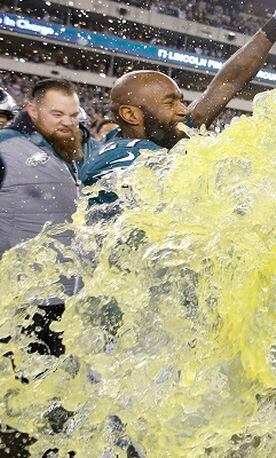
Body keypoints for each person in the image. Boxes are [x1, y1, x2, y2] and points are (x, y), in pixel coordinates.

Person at [78, 0, 276, 185]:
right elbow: (228, 184)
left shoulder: (153, 132)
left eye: (181, 101)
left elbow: (226, 84)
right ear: (131, 115)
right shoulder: (117, 161)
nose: (183, 110)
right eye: (170, 103)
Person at [0, 78, 99, 454]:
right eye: (57, 113)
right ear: (32, 109)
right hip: (21, 303)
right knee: (22, 402)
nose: (67, 121)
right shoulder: (6, 147)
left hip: (67, 301)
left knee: (59, 397)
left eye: (73, 114)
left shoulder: (73, 148)